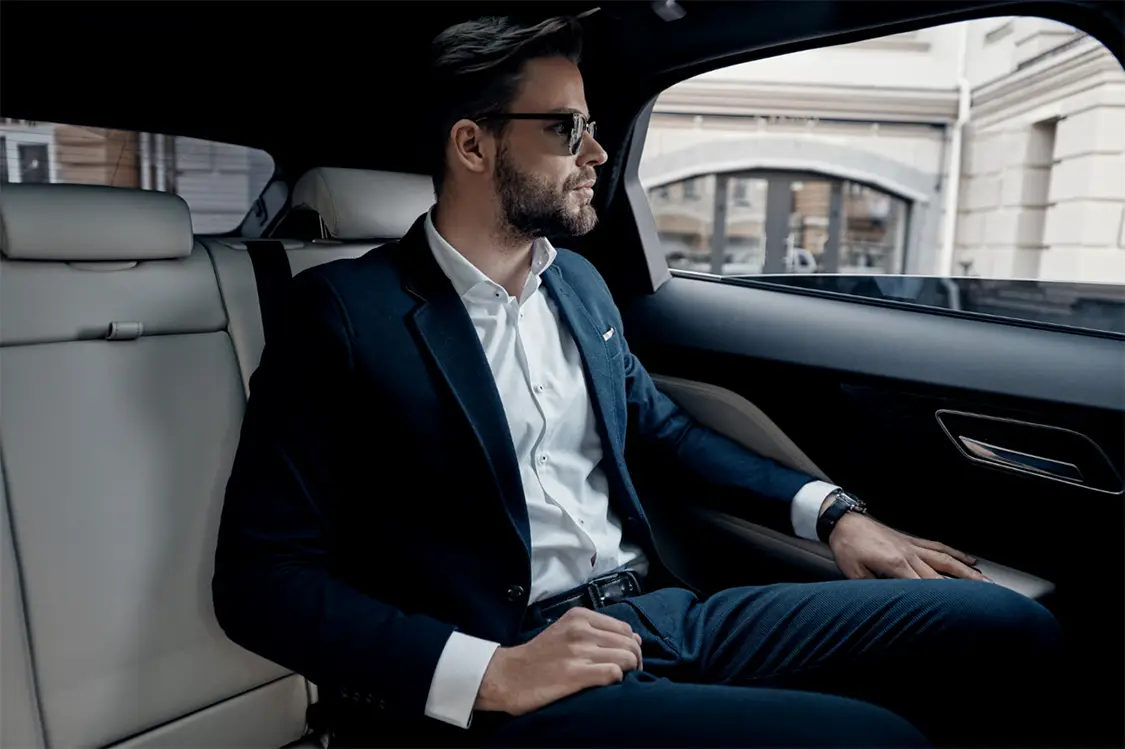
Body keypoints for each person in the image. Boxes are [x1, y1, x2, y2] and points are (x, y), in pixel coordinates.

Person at [213, 14, 1064, 749]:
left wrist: (835, 514)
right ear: (472, 145)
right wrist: (491, 672)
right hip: (513, 657)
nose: (596, 152)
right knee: (872, 738)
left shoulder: (578, 284)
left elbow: (663, 431)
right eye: (565, 129)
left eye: (591, 125)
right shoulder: (343, 312)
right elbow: (260, 579)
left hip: (656, 614)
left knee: (1002, 625)